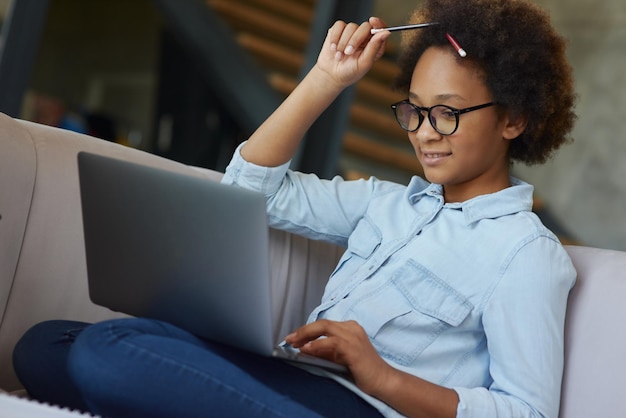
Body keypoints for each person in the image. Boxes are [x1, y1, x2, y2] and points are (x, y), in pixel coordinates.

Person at [12, 0, 577, 417]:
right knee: (47, 345)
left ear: (514, 119)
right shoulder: (385, 204)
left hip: (356, 408)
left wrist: (381, 376)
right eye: (414, 111)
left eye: (447, 113)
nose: (425, 133)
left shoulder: (525, 252)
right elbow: (251, 190)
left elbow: (525, 411)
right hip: (293, 381)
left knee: (109, 354)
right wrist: (325, 79)